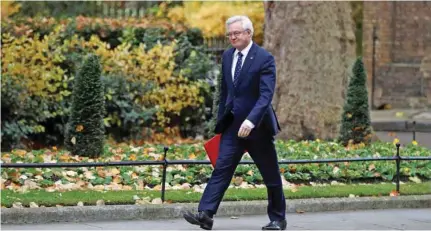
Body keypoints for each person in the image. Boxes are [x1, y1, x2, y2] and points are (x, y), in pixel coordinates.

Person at [183, 15, 286, 230]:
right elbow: (226, 92)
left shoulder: (264, 58)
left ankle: (277, 219)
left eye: (236, 33)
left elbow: (265, 96)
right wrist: (220, 122)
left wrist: (251, 121)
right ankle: (206, 215)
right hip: (232, 127)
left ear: (249, 33)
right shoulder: (228, 56)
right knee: (221, 169)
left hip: (257, 128)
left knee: (270, 174)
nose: (232, 37)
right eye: (229, 34)